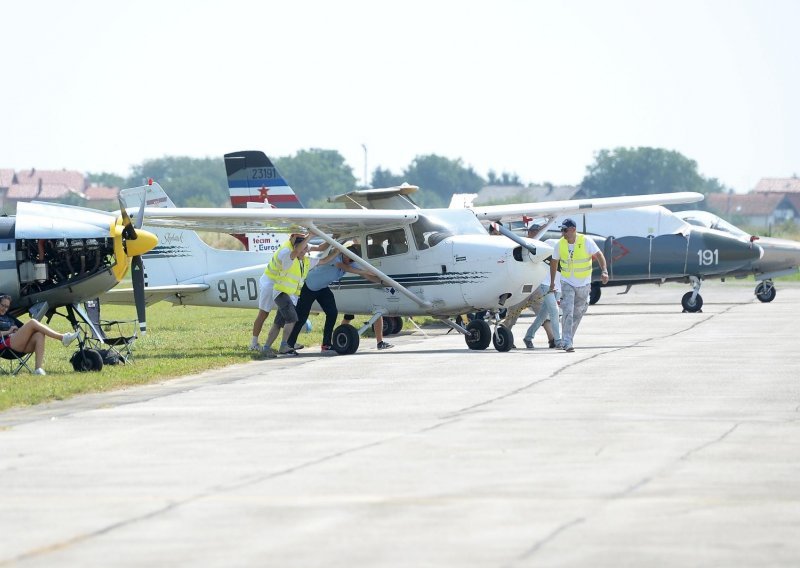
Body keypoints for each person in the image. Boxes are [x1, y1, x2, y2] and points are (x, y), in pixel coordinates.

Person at [286, 243, 381, 355]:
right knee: (302, 317)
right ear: (344, 254)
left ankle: (326, 344)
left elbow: (366, 276)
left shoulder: (350, 262)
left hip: (322, 288)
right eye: (349, 259)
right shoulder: (335, 258)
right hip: (309, 287)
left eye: (352, 260)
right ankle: (289, 346)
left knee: (332, 313)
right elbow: (344, 267)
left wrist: (381, 281)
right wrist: (364, 271)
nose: (350, 262)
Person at [260, 236, 339, 358]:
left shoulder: (307, 261)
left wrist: (337, 251)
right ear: (296, 248)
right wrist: (310, 235)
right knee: (292, 319)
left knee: (278, 323)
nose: (304, 251)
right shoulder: (289, 258)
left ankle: (266, 348)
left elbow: (324, 260)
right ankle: (284, 346)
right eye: (302, 248)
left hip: (291, 296)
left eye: (305, 249)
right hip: (281, 293)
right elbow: (296, 251)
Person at [549, 218, 609, 352]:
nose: (563, 233)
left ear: (573, 230)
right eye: (562, 230)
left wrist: (604, 271)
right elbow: (554, 262)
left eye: (565, 230)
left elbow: (599, 255)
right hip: (567, 282)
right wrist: (553, 282)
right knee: (568, 311)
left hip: (584, 283)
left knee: (578, 313)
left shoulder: (585, 241)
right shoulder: (560, 244)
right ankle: (567, 342)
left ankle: (568, 338)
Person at [500, 224, 558, 348]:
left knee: (543, 313)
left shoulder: (542, 248)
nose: (536, 233)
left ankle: (552, 339)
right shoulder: (520, 246)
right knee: (512, 315)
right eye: (534, 231)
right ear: (529, 233)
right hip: (521, 287)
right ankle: (506, 338)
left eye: (538, 231)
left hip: (536, 286)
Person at [0, 294, 79, 375]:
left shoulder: (8, 316)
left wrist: (17, 330)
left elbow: (23, 328)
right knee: (32, 322)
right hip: (4, 346)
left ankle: (38, 369)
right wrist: (9, 331)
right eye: (3, 305)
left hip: (17, 344)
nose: (5, 309)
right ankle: (62, 337)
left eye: (7, 307)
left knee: (39, 334)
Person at [523, 236, 562, 349]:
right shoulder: (551, 244)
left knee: (543, 315)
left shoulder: (571, 251)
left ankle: (528, 337)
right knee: (554, 311)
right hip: (546, 285)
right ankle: (558, 341)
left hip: (558, 287)